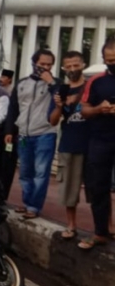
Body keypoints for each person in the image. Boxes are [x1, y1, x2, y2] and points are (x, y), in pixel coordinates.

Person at [5, 48, 60, 219]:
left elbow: (61, 98)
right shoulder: (21, 84)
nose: (45, 67)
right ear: (34, 63)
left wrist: (51, 83)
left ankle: (34, 206)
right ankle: (27, 201)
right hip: (23, 134)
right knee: (25, 171)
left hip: (45, 132)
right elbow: (13, 108)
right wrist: (9, 130)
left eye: (49, 65)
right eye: (42, 64)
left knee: (41, 172)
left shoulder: (56, 83)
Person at [48, 51, 90, 241]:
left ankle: (105, 228)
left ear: (83, 65)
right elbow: (52, 121)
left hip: (92, 143)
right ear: (63, 68)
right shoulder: (61, 90)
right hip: (69, 143)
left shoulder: (91, 86)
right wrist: (59, 106)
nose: (72, 69)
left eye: (76, 65)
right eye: (68, 66)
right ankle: (71, 225)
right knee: (69, 190)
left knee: (99, 189)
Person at [80, 38, 115, 250]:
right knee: (98, 187)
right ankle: (100, 231)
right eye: (109, 60)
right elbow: (83, 110)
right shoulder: (95, 82)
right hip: (100, 140)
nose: (112, 64)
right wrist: (98, 109)